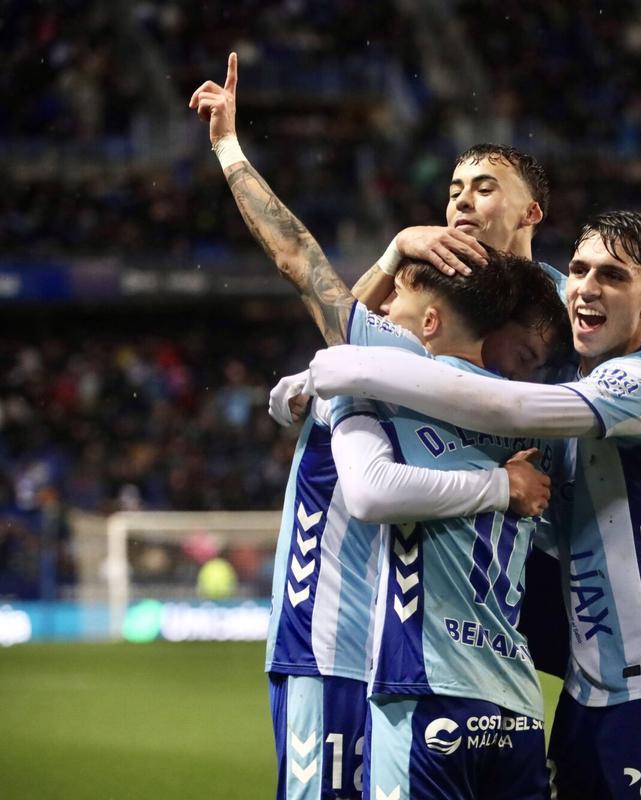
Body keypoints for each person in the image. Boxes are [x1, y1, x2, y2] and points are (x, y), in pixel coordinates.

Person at [189, 54, 567, 799]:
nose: (461, 201)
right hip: (337, 625)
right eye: (454, 187)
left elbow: (636, 361)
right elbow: (314, 288)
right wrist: (392, 253)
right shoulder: (407, 322)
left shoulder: (562, 309)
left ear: (531, 213)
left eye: (484, 187)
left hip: (477, 652)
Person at [306, 211, 641, 800]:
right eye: (580, 271)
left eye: (612, 276)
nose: (586, 286)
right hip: (591, 685)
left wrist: (347, 366)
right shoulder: (580, 390)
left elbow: (506, 408)